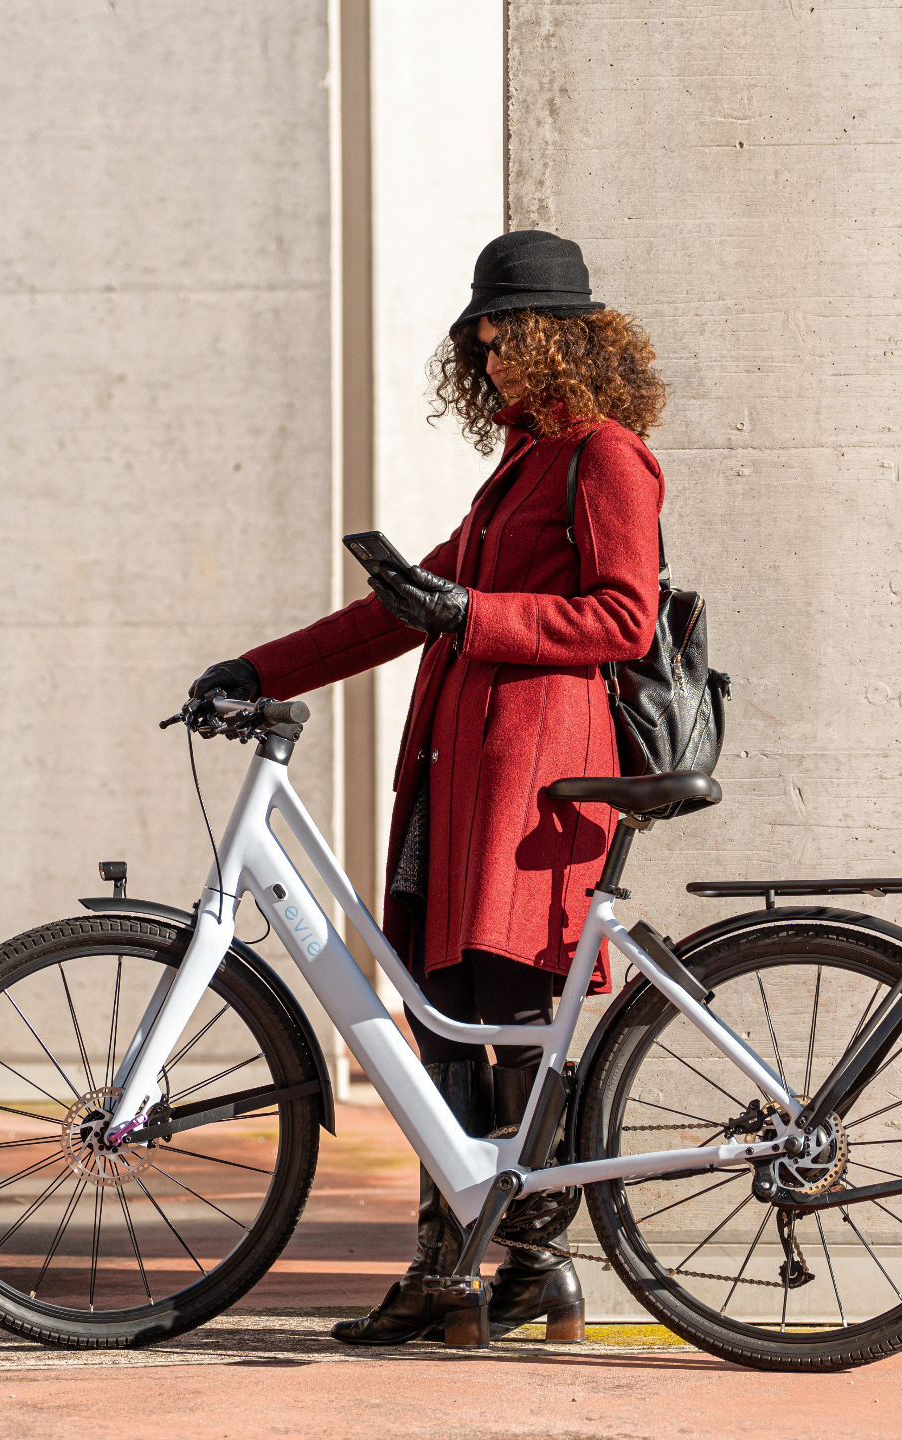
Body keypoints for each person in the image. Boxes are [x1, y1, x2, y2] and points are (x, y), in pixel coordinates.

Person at [189, 229, 669, 1345]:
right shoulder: (520, 467)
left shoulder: (607, 456)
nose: (493, 355)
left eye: (511, 334)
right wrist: (258, 668)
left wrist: (476, 616)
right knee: (448, 1025)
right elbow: (394, 612)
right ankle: (481, 1273)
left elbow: (622, 617)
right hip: (460, 785)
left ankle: (493, 1270)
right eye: (482, 337)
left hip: (536, 785)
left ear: (567, 340)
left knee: (503, 1020)